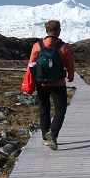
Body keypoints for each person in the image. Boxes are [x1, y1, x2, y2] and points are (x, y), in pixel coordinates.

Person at [28, 20, 75, 150]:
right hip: (58, 83)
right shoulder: (63, 47)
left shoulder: (37, 46)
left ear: (46, 30)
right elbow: (70, 64)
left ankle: (45, 138)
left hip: (41, 83)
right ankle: (53, 132)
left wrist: (31, 83)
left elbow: (31, 64)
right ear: (59, 31)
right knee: (60, 109)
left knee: (44, 109)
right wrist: (70, 76)